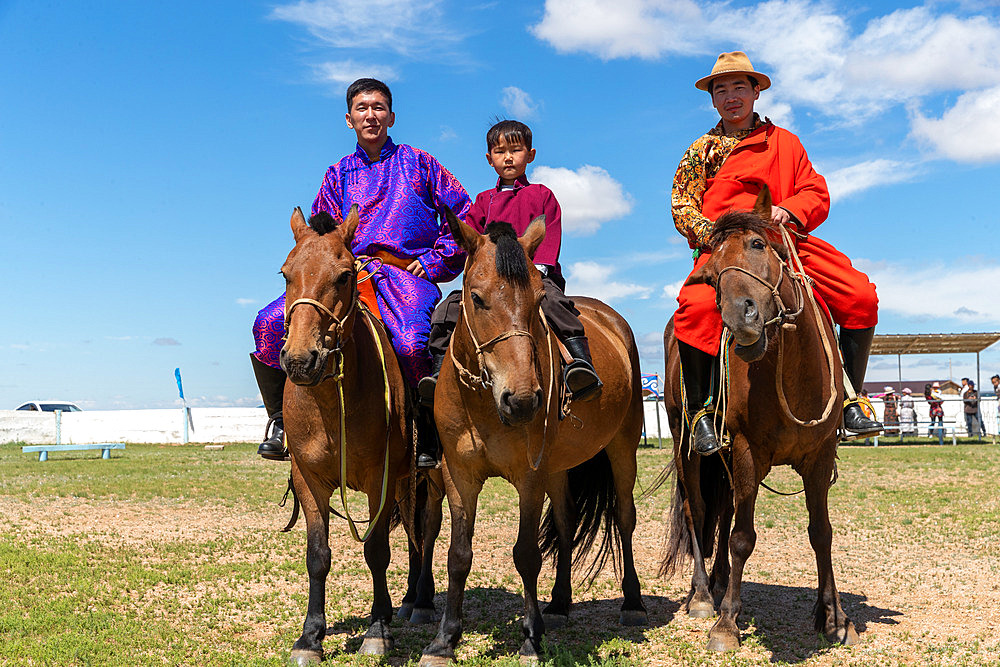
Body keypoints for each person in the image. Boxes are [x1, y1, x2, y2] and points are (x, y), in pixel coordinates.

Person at [670, 51, 883, 455]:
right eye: (721, 90)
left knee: (860, 295)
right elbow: (682, 203)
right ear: (712, 99)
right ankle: (700, 412)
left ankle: (852, 401)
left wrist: (791, 210)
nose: (731, 96)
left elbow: (815, 192)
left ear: (755, 93)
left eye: (738, 88)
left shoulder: (785, 142)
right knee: (693, 308)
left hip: (784, 242)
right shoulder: (701, 151)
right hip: (727, 249)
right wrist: (714, 236)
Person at [250, 78, 472, 465]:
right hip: (343, 277)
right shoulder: (337, 174)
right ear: (349, 119)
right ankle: (282, 422)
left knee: (410, 344)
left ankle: (426, 433)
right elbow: (319, 237)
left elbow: (464, 216)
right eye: (362, 108)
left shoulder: (422, 163)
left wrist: (435, 261)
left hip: (404, 278)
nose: (371, 114)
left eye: (379, 107)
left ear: (391, 116)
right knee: (268, 323)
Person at [417, 119, 602, 424]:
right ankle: (437, 373)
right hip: (491, 283)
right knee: (446, 310)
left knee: (555, 304)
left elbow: (548, 231)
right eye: (499, 152)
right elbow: (471, 240)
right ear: (489, 159)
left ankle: (580, 364)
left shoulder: (542, 195)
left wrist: (537, 269)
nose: (508, 158)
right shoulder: (483, 201)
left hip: (530, 278)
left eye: (515, 150)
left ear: (530, 154)